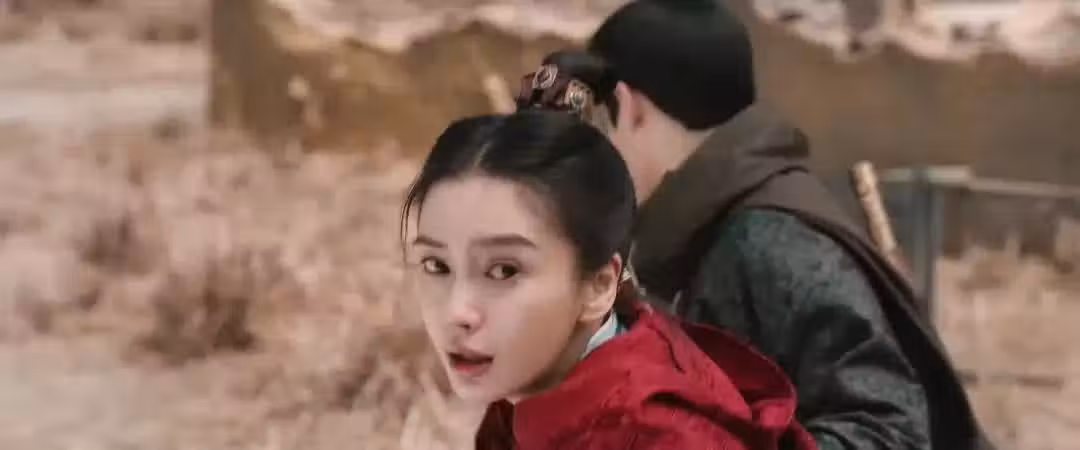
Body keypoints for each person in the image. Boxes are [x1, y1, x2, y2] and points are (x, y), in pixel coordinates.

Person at [514, 2, 993, 449]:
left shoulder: (768, 239)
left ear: (631, 108)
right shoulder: (701, 229)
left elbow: (892, 432)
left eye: (602, 128)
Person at [400, 110, 817, 450]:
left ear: (599, 287)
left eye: (504, 270)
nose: (456, 312)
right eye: (436, 266)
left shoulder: (661, 436)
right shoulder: (537, 379)